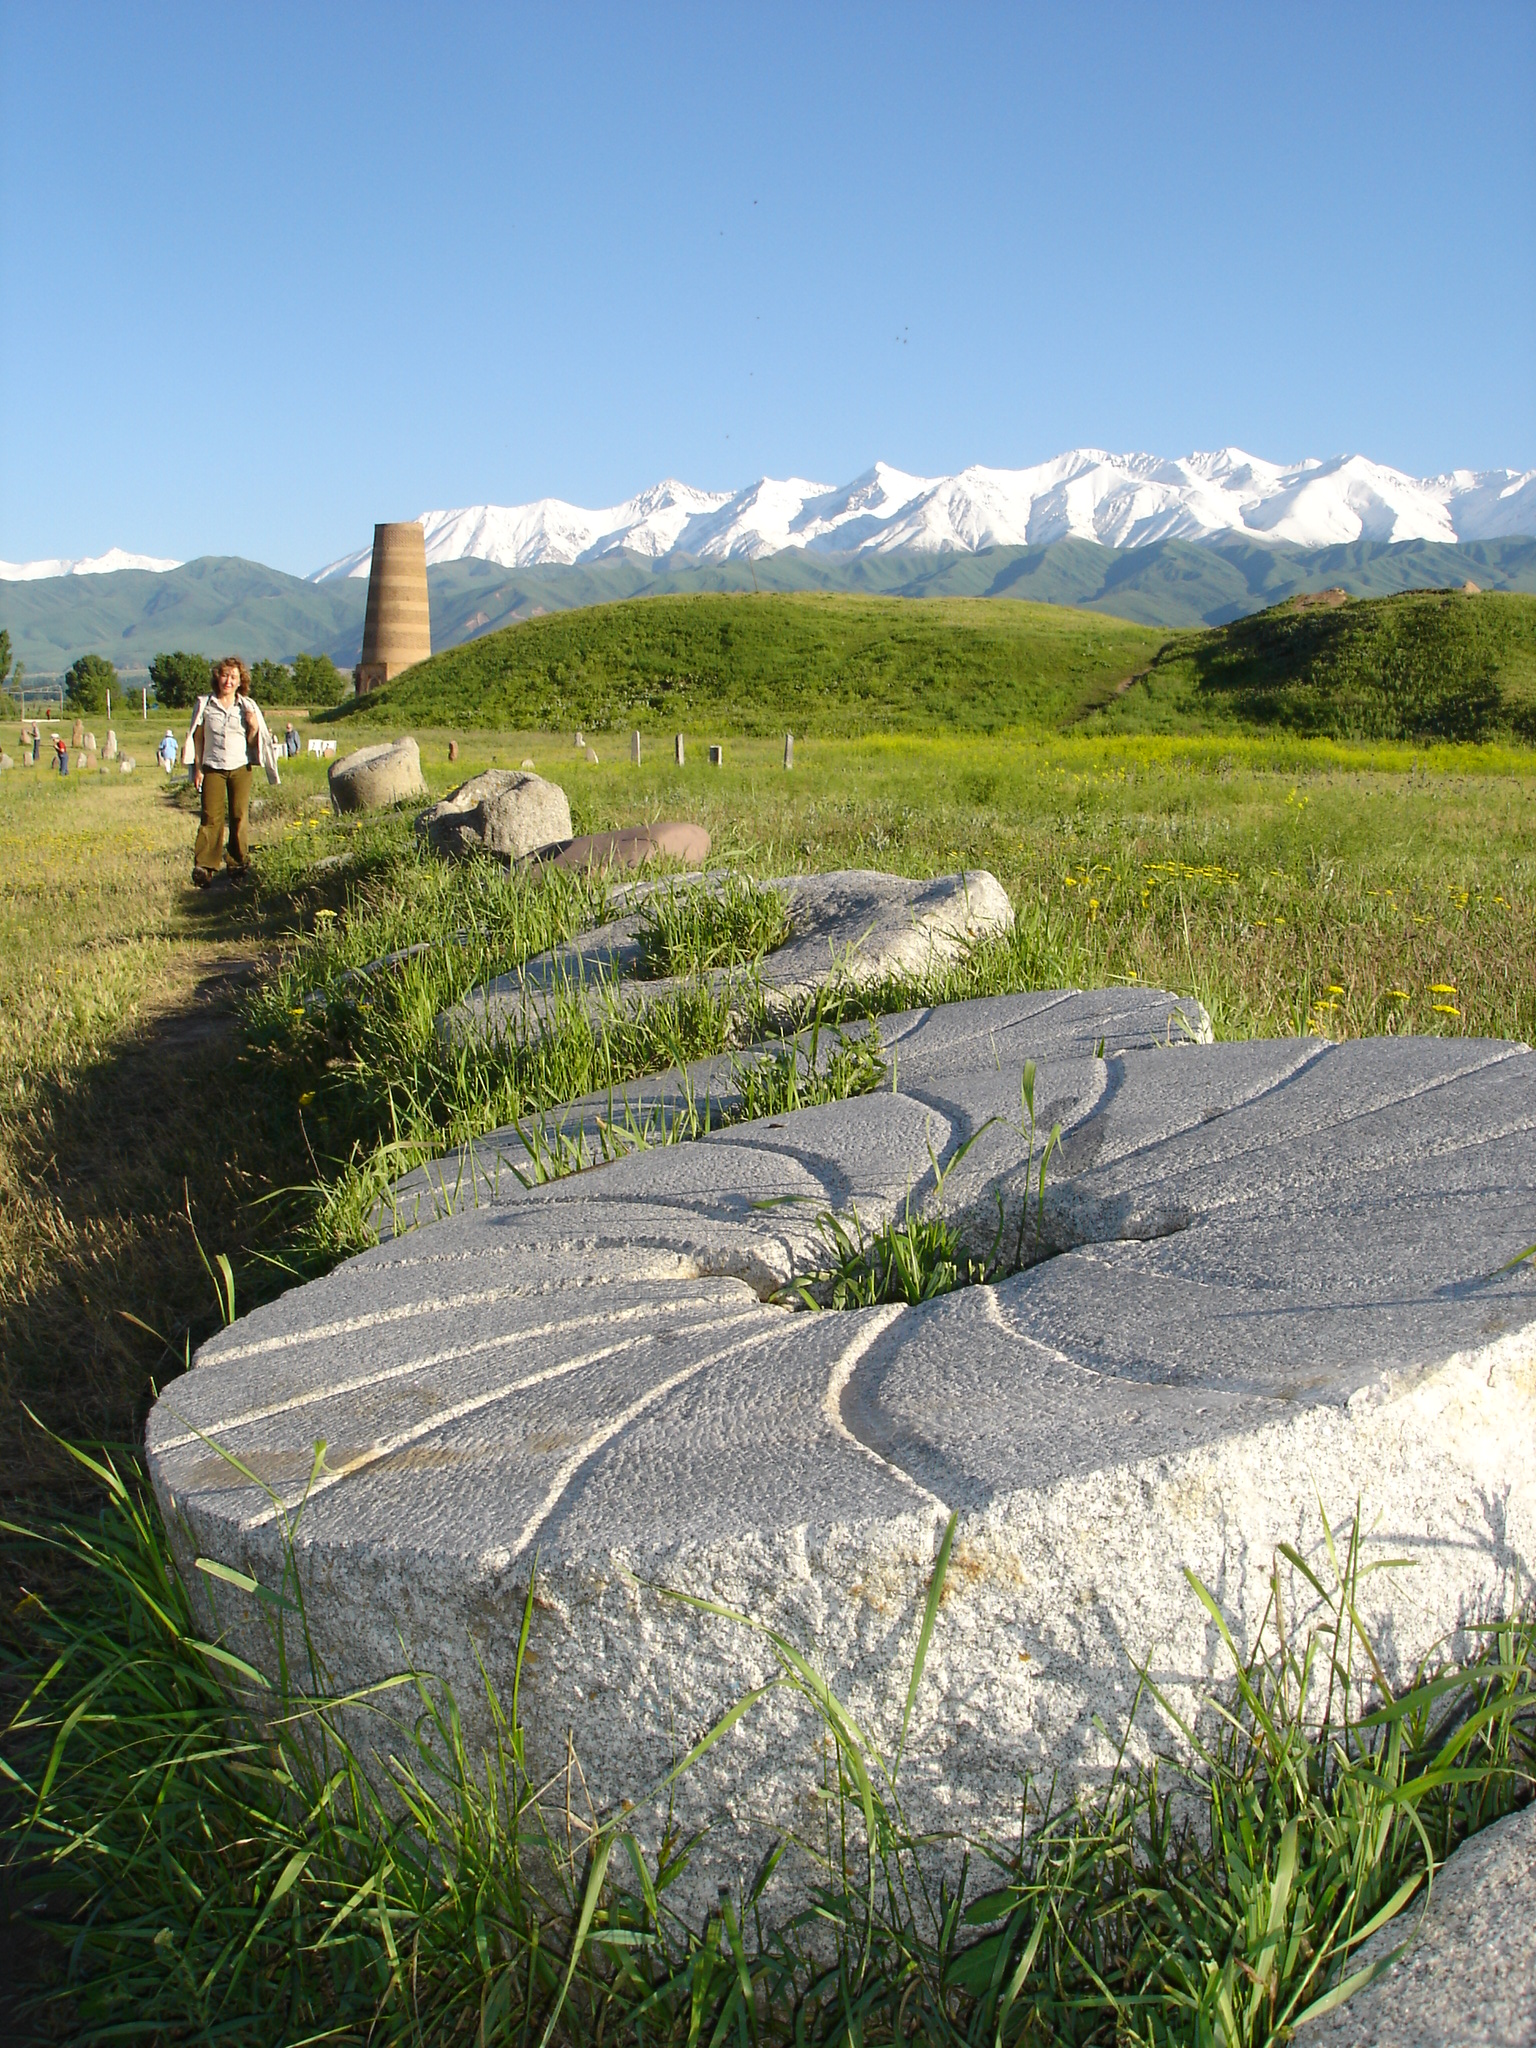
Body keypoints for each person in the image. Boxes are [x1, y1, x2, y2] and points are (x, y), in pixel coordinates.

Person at [186, 656, 260, 885]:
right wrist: (197, 769)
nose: (228, 681)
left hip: (240, 766)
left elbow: (253, 741)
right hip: (213, 766)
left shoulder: (247, 706)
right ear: (217, 677)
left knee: (239, 814)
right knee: (211, 816)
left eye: (234, 677)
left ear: (240, 682)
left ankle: (238, 864)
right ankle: (205, 866)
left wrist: (254, 725)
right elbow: (197, 738)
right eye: (225, 675)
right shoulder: (205, 704)